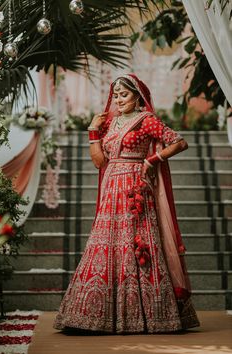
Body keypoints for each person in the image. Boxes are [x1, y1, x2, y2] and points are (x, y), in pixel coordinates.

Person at [54, 73, 200, 333]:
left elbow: (180, 142)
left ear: (138, 96)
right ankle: (93, 314)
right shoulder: (111, 124)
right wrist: (92, 131)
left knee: (139, 245)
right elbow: (100, 162)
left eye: (125, 95)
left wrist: (152, 160)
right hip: (112, 190)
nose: (119, 100)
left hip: (136, 190)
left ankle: (152, 315)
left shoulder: (147, 120)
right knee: (104, 246)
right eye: (116, 95)